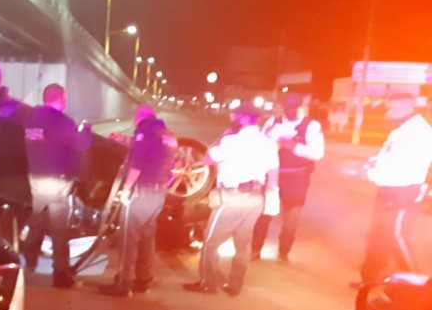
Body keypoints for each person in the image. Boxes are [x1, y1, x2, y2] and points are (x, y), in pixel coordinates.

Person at [183, 101, 280, 297]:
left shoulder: (231, 141)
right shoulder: (268, 143)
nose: (231, 119)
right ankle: (235, 285)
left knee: (211, 242)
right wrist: (271, 199)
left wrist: (223, 137)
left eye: (233, 116)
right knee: (243, 244)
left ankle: (208, 283)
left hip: (232, 199)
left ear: (243, 118)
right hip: (256, 199)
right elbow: (273, 174)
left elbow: (208, 159)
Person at [350, 92, 432, 290]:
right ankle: (369, 280)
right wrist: (372, 164)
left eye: (391, 107)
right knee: (377, 237)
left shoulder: (419, 132)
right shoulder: (400, 130)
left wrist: (370, 174)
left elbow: (403, 167)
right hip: (388, 190)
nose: (388, 111)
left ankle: (418, 287)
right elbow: (387, 157)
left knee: (397, 237)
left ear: (405, 106)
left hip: (403, 191)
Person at [99, 105, 177, 298]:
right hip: (158, 193)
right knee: (147, 238)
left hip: (141, 192)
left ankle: (123, 284)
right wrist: (123, 139)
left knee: (128, 238)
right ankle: (143, 280)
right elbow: (153, 152)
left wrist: (126, 189)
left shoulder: (144, 131)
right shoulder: (167, 135)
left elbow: (137, 164)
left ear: (138, 118)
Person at [21, 83, 92, 289]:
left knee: (39, 218)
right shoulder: (61, 121)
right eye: (65, 98)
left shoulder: (31, 118)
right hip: (56, 181)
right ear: (61, 98)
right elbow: (81, 145)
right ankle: (61, 274)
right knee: (59, 228)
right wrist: (86, 129)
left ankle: (28, 257)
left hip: (36, 178)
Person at [251, 92, 325, 263]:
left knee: (291, 221)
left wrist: (292, 146)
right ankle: (255, 250)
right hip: (273, 176)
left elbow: (317, 153)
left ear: (301, 107)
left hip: (297, 179)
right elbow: (260, 146)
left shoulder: (311, 126)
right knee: (264, 216)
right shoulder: (273, 123)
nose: (291, 111)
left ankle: (283, 252)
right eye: (288, 107)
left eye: (295, 107)